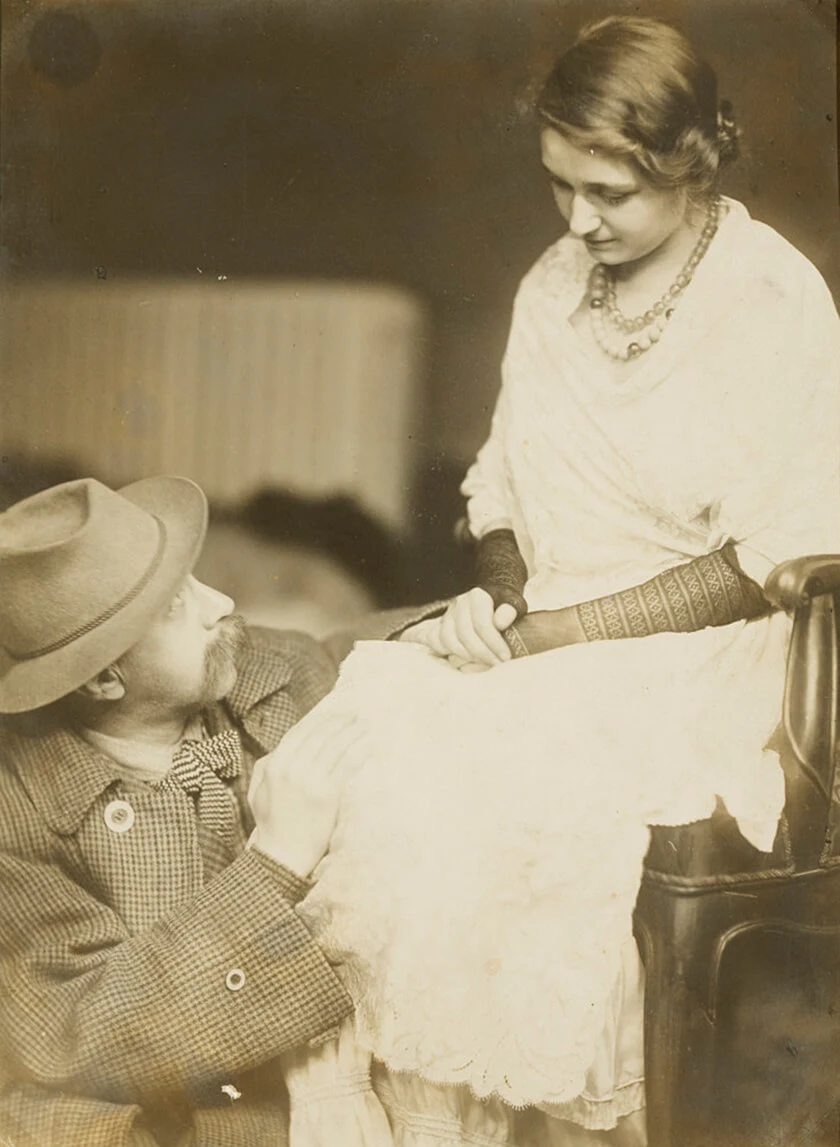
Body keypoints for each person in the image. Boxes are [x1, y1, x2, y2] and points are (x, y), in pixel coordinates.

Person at [268, 15, 840, 1147]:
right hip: (556, 630)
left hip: (710, 651)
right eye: (559, 185)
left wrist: (544, 642)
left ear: (691, 163)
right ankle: (414, 1120)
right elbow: (505, 489)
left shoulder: (771, 298)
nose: (578, 220)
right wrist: (499, 595)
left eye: (609, 192)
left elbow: (763, 563)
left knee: (510, 774)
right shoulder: (553, 284)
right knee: (372, 733)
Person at [0, 473, 431, 1147]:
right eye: (178, 604)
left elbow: (340, 650)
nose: (224, 602)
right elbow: (81, 1040)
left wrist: (453, 626)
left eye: (195, 576)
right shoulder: (17, 813)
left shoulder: (259, 671)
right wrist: (274, 863)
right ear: (104, 678)